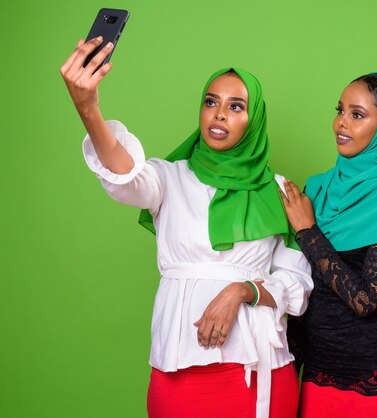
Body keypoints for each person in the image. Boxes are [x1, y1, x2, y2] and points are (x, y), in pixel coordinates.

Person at [60, 37, 313, 418]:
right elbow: (125, 176)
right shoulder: (168, 177)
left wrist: (243, 291)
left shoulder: (279, 190)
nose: (219, 114)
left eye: (236, 106)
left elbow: (299, 285)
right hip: (178, 368)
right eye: (211, 102)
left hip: (258, 370)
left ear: (254, 117)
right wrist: (89, 109)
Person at [281, 73, 377, 418]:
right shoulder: (316, 188)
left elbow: (365, 300)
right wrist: (289, 367)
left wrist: (308, 231)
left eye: (357, 115)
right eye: (340, 110)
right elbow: (305, 288)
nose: (341, 123)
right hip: (318, 372)